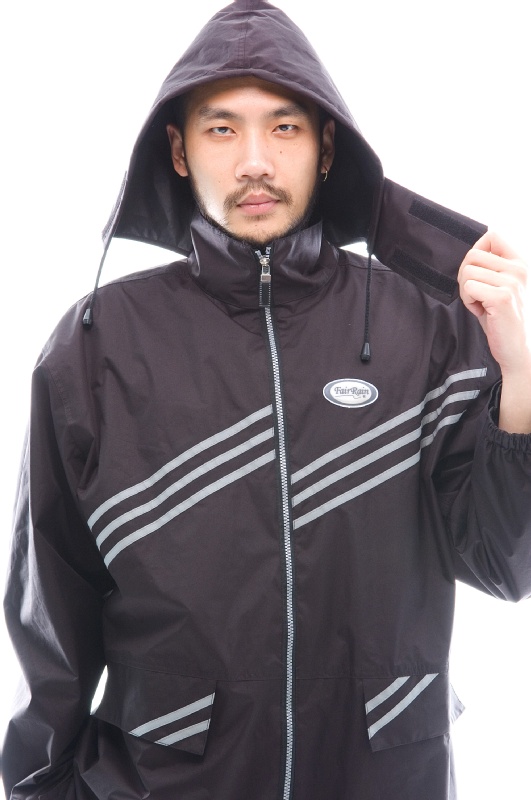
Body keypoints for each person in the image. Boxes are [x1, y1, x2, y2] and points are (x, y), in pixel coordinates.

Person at [3, 0, 531, 798]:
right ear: (178, 151)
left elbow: (501, 562)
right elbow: (50, 612)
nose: (254, 160)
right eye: (221, 129)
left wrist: (519, 376)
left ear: (326, 149)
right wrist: (42, 785)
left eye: (284, 127)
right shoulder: (96, 344)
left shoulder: (428, 325)